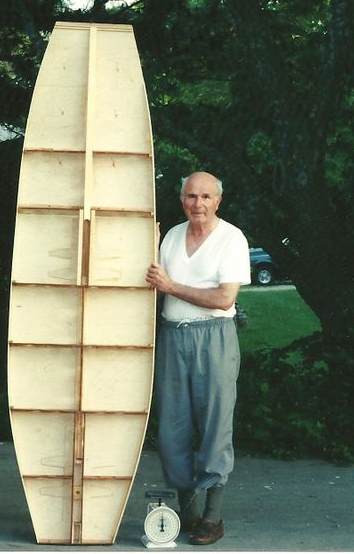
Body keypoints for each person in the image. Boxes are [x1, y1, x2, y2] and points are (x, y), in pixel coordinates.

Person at [145, 171, 250, 545]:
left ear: (218, 201)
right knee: (172, 427)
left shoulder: (231, 238)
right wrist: (145, 247)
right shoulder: (172, 236)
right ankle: (185, 513)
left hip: (214, 337)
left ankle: (211, 517)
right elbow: (153, 287)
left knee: (214, 424)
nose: (198, 204)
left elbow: (224, 298)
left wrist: (171, 286)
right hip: (174, 336)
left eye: (206, 197)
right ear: (182, 199)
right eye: (191, 196)